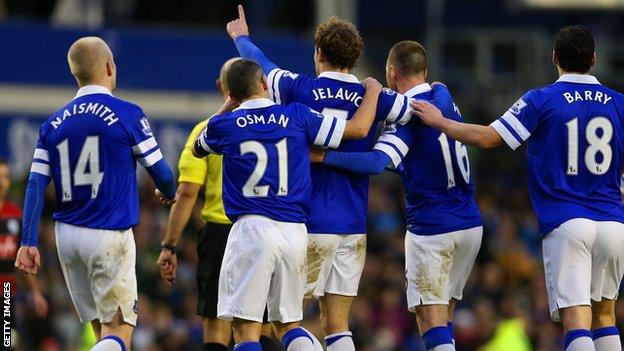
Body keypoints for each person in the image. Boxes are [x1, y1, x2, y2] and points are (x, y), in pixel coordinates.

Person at [226, 7, 452, 349]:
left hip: (308, 222)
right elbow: (423, 113)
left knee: (283, 322)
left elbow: (262, 66)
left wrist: (241, 37)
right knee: (337, 324)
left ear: (318, 54)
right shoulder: (375, 98)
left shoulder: (297, 88)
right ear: (355, 57)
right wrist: (440, 89)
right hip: (352, 224)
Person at [411, 25, 624, 351]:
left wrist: (440, 121)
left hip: (567, 221)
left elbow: (486, 138)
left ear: (554, 57)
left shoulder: (541, 99)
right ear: (594, 59)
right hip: (613, 221)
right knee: (605, 315)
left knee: (576, 319)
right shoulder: (619, 103)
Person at [192, 59, 382, 351]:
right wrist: (372, 90)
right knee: (288, 325)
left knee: (246, 329)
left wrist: (226, 109)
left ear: (230, 94)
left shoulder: (224, 125)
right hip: (295, 232)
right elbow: (356, 128)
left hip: (252, 229)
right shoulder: (297, 115)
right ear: (265, 84)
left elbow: (199, 148)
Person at [311, 41, 482, 351]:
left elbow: (377, 162)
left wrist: (325, 158)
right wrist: (441, 86)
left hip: (433, 226)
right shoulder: (444, 101)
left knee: (430, 321)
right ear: (425, 72)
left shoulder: (409, 116)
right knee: (444, 318)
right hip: (471, 223)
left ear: (391, 72)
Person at [14, 37, 176, 351]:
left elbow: (35, 184)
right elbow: (164, 175)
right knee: (119, 330)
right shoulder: (127, 113)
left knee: (102, 332)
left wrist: (28, 242)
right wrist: (166, 191)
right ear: (109, 67)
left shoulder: (53, 123)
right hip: (107, 234)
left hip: (67, 238)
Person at [157, 57, 280, 351]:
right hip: (267, 231)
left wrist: (170, 244)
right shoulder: (278, 126)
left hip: (220, 235)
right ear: (261, 84)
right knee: (263, 327)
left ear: (221, 87)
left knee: (217, 328)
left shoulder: (206, 131)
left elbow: (187, 194)